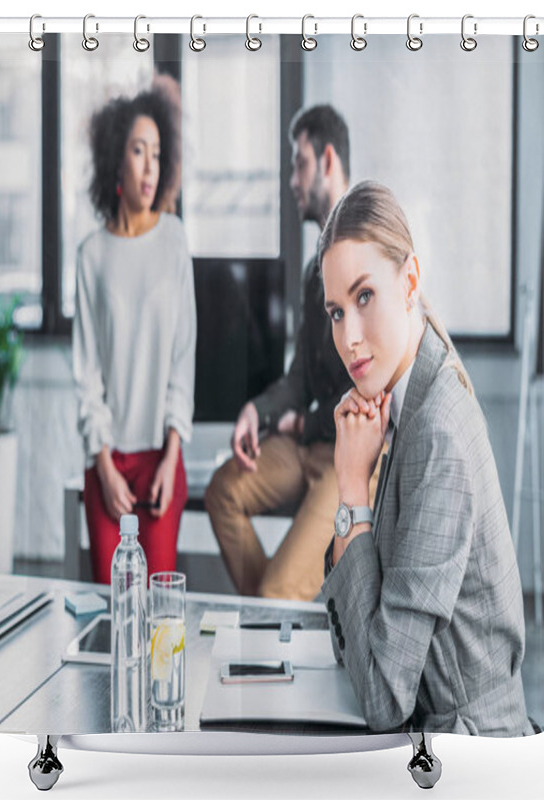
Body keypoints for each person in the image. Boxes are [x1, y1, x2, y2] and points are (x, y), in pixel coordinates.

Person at [319, 180, 533, 736]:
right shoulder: (403, 397)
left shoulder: (437, 429)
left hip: (468, 751)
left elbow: (384, 694)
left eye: (365, 297)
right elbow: (358, 641)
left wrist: (351, 491)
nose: (350, 337)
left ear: (409, 280)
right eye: (337, 312)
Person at [205, 105, 380, 601]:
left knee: (277, 592)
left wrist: (303, 425)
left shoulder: (368, 260)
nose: (291, 180)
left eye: (298, 164)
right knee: (223, 492)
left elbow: (371, 389)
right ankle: (279, 615)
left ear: (327, 160)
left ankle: (276, 606)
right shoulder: (313, 275)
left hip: (350, 453)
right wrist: (255, 411)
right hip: (307, 445)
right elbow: (301, 377)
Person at [73, 90, 196, 585]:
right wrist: (102, 466)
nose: (150, 166)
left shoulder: (174, 240)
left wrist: (172, 454)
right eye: (138, 150)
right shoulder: (90, 255)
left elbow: (183, 357)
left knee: (159, 616)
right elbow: (87, 375)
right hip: (107, 466)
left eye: (158, 153)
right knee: (114, 612)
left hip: (162, 460)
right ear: (114, 160)